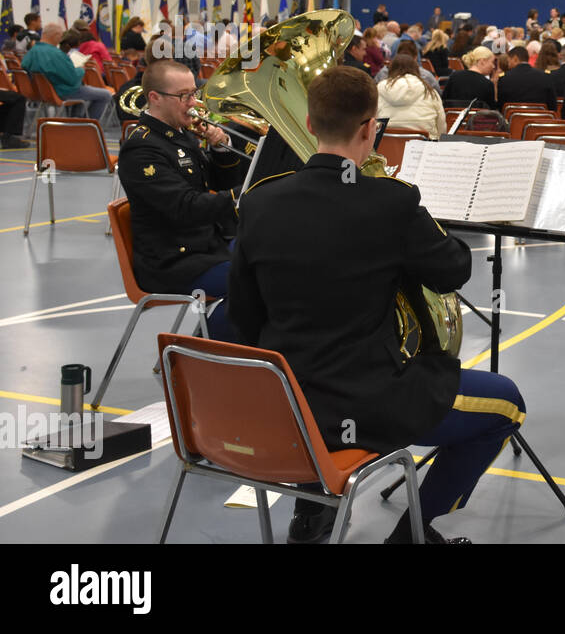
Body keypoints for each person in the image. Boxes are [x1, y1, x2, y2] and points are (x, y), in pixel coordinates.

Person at [228, 65, 524, 545]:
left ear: (308, 124)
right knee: (507, 403)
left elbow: (241, 315)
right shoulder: (391, 202)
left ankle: (311, 516)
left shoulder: (261, 202)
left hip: (282, 404)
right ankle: (411, 537)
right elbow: (452, 271)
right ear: (370, 128)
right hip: (364, 403)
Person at [117, 60, 242, 340]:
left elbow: (218, 183)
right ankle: (204, 352)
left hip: (204, 246)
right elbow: (186, 208)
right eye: (184, 96)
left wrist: (222, 150)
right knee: (257, 281)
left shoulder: (180, 134)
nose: (193, 103)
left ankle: (214, 341)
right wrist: (242, 197)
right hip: (172, 261)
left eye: (194, 93)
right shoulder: (142, 149)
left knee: (272, 257)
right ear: (155, 98)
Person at [21, 22, 113, 119]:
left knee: (84, 90)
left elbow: (24, 65)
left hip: (44, 91)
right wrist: (81, 69)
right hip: (63, 91)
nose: (61, 39)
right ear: (55, 36)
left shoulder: (33, 50)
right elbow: (72, 79)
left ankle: (76, 119)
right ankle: (87, 124)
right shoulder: (56, 54)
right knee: (105, 95)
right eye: (60, 36)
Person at [377, 53, 445, 138]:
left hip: (385, 148)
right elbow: (441, 126)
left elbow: (371, 122)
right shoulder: (430, 92)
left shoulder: (379, 89)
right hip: (424, 147)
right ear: (416, 69)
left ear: (391, 69)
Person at [498, 45, 557, 111]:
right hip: (540, 118)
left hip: (513, 119)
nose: (508, 65)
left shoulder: (504, 78)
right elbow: (552, 106)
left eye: (509, 61)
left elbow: (501, 106)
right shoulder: (545, 76)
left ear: (515, 59)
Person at [442, 46, 498, 110]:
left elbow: (444, 102)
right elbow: (491, 112)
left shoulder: (454, 76)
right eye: (492, 62)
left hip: (452, 119)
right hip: (476, 119)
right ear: (483, 61)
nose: (493, 66)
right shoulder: (487, 84)